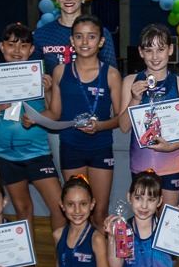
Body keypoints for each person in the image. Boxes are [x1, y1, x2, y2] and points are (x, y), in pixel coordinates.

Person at [33, 15, 121, 229]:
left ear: (101, 41)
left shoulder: (111, 74)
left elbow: (120, 117)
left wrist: (100, 126)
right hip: (70, 148)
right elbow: (55, 112)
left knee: (99, 213)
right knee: (76, 213)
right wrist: (34, 117)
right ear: (72, 40)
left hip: (100, 148)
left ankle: (101, 252)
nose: (85, 42)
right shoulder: (60, 71)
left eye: (91, 37)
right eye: (79, 37)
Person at [32, 0, 117, 179]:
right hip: (58, 121)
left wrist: (108, 119)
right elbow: (30, 75)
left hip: (95, 121)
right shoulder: (42, 35)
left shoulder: (102, 34)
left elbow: (111, 78)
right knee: (69, 187)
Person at [0, 23, 64, 239]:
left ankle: (61, 256)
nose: (17, 50)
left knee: (58, 207)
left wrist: (48, 91)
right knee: (23, 209)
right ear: (2, 47)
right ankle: (27, 258)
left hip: (37, 153)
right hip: (6, 156)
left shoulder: (40, 78)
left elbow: (53, 113)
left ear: (31, 50)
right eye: (11, 45)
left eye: (23, 46)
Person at [119, 23, 179, 207]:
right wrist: (134, 99)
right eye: (149, 50)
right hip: (141, 164)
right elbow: (123, 127)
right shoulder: (130, 81)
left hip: (171, 164)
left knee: (167, 218)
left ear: (170, 49)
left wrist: (170, 147)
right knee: (143, 216)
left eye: (160, 50)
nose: (155, 57)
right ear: (141, 52)